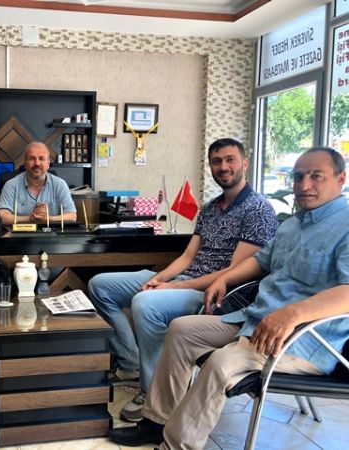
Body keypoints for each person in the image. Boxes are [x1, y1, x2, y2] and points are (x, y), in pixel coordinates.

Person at [109, 146, 349, 449]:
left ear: (341, 178)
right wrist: (223, 279)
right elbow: (260, 261)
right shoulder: (293, 224)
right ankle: (156, 421)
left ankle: (175, 445)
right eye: (299, 176)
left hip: (300, 340)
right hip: (255, 321)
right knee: (182, 330)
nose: (304, 185)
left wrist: (293, 314)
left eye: (316, 176)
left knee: (222, 363)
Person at [88, 138, 278, 422]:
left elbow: (234, 272)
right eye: (216, 161)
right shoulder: (210, 208)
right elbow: (188, 256)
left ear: (245, 163)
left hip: (216, 294)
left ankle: (153, 392)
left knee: (146, 303)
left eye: (230, 160)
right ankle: (131, 362)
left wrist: (171, 287)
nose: (223, 167)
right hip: (183, 279)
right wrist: (160, 279)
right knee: (100, 285)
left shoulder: (258, 210)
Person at [0, 141, 76, 225]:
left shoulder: (60, 185)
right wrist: (30, 218)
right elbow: (1, 216)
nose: (37, 163)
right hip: (20, 233)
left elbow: (72, 216)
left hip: (51, 233)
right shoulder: (11, 185)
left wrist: (49, 219)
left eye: (41, 158)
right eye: (32, 158)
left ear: (48, 164)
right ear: (25, 163)